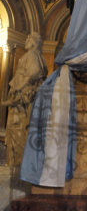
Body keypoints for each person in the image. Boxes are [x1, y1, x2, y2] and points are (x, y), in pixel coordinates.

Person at [2, 32, 47, 166]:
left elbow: (34, 72)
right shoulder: (38, 56)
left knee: (17, 131)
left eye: (29, 38)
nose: (26, 40)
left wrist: (19, 87)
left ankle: (17, 163)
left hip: (22, 98)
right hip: (23, 97)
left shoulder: (32, 55)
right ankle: (18, 163)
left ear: (34, 42)